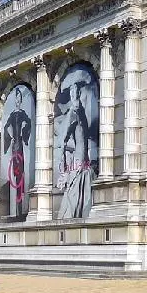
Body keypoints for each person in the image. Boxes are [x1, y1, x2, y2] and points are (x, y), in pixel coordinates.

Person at [57, 81, 95, 219]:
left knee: (81, 186)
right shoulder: (74, 112)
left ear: (79, 93)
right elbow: (64, 139)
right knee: (74, 187)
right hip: (79, 157)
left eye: (76, 91)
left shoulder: (80, 111)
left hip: (83, 156)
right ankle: (70, 215)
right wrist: (64, 162)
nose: (74, 94)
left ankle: (76, 214)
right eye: (72, 92)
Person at [1, 87, 33, 218]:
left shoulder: (22, 113)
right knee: (15, 175)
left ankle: (19, 208)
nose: (18, 100)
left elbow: (29, 122)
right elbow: (6, 127)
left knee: (20, 175)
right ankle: (16, 208)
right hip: (15, 145)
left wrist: (24, 134)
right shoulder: (13, 114)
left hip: (19, 146)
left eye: (20, 98)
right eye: (17, 98)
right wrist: (12, 137)